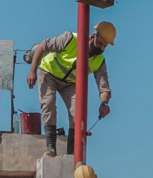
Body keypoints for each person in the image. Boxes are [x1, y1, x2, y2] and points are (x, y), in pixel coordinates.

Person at [25, 21, 115, 157]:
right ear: (93, 37)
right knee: (48, 104)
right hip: (49, 73)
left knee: (77, 112)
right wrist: (32, 70)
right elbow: (43, 47)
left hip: (70, 82)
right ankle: (51, 147)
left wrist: (104, 103)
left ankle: (72, 153)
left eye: (104, 46)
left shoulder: (99, 62)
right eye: (100, 43)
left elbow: (104, 88)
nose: (101, 48)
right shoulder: (70, 39)